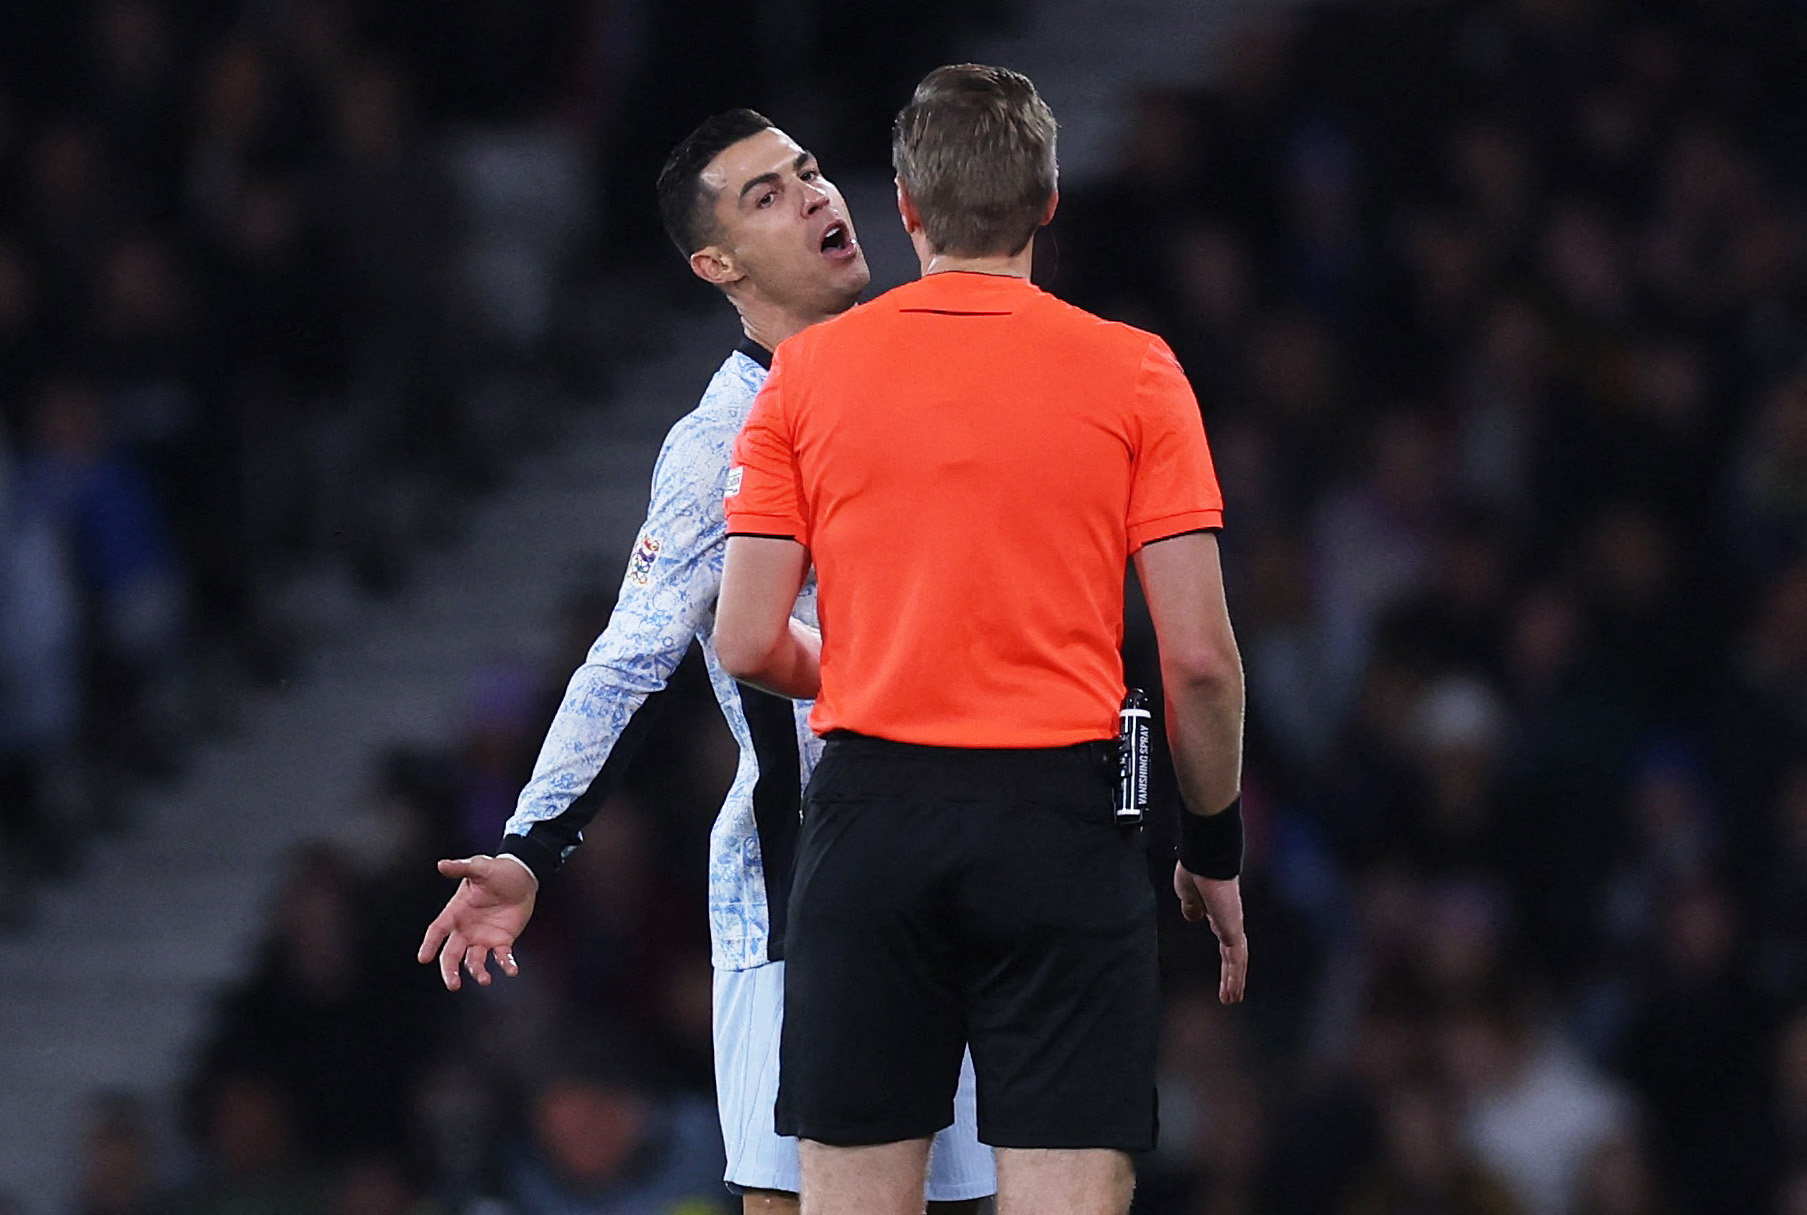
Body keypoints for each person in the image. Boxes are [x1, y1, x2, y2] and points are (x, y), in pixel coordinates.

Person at [416, 109, 996, 1215]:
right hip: (803, 898)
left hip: (976, 882)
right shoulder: (721, 439)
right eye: (767, 194)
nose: (817, 197)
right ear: (715, 263)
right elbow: (629, 663)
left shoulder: (951, 377)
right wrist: (533, 848)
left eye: (811, 171)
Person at [715, 65, 1248, 1215]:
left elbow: (750, 636)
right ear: (1047, 200)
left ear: (904, 204)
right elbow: (1199, 659)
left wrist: (863, 667)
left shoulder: (805, 375)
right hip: (1064, 823)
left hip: (869, 824)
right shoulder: (1137, 372)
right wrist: (1212, 846)